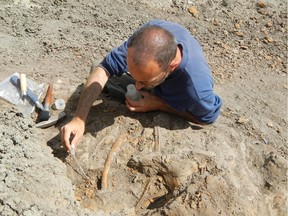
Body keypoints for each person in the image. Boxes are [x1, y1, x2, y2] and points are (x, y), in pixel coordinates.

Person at [61, 19, 222, 151]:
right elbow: (104, 68)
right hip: (159, 71)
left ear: (171, 65)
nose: (138, 86)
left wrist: (159, 104)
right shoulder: (147, 37)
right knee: (97, 69)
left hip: (177, 92)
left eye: (145, 81)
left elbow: (207, 118)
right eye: (135, 77)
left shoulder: (195, 90)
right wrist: (79, 118)